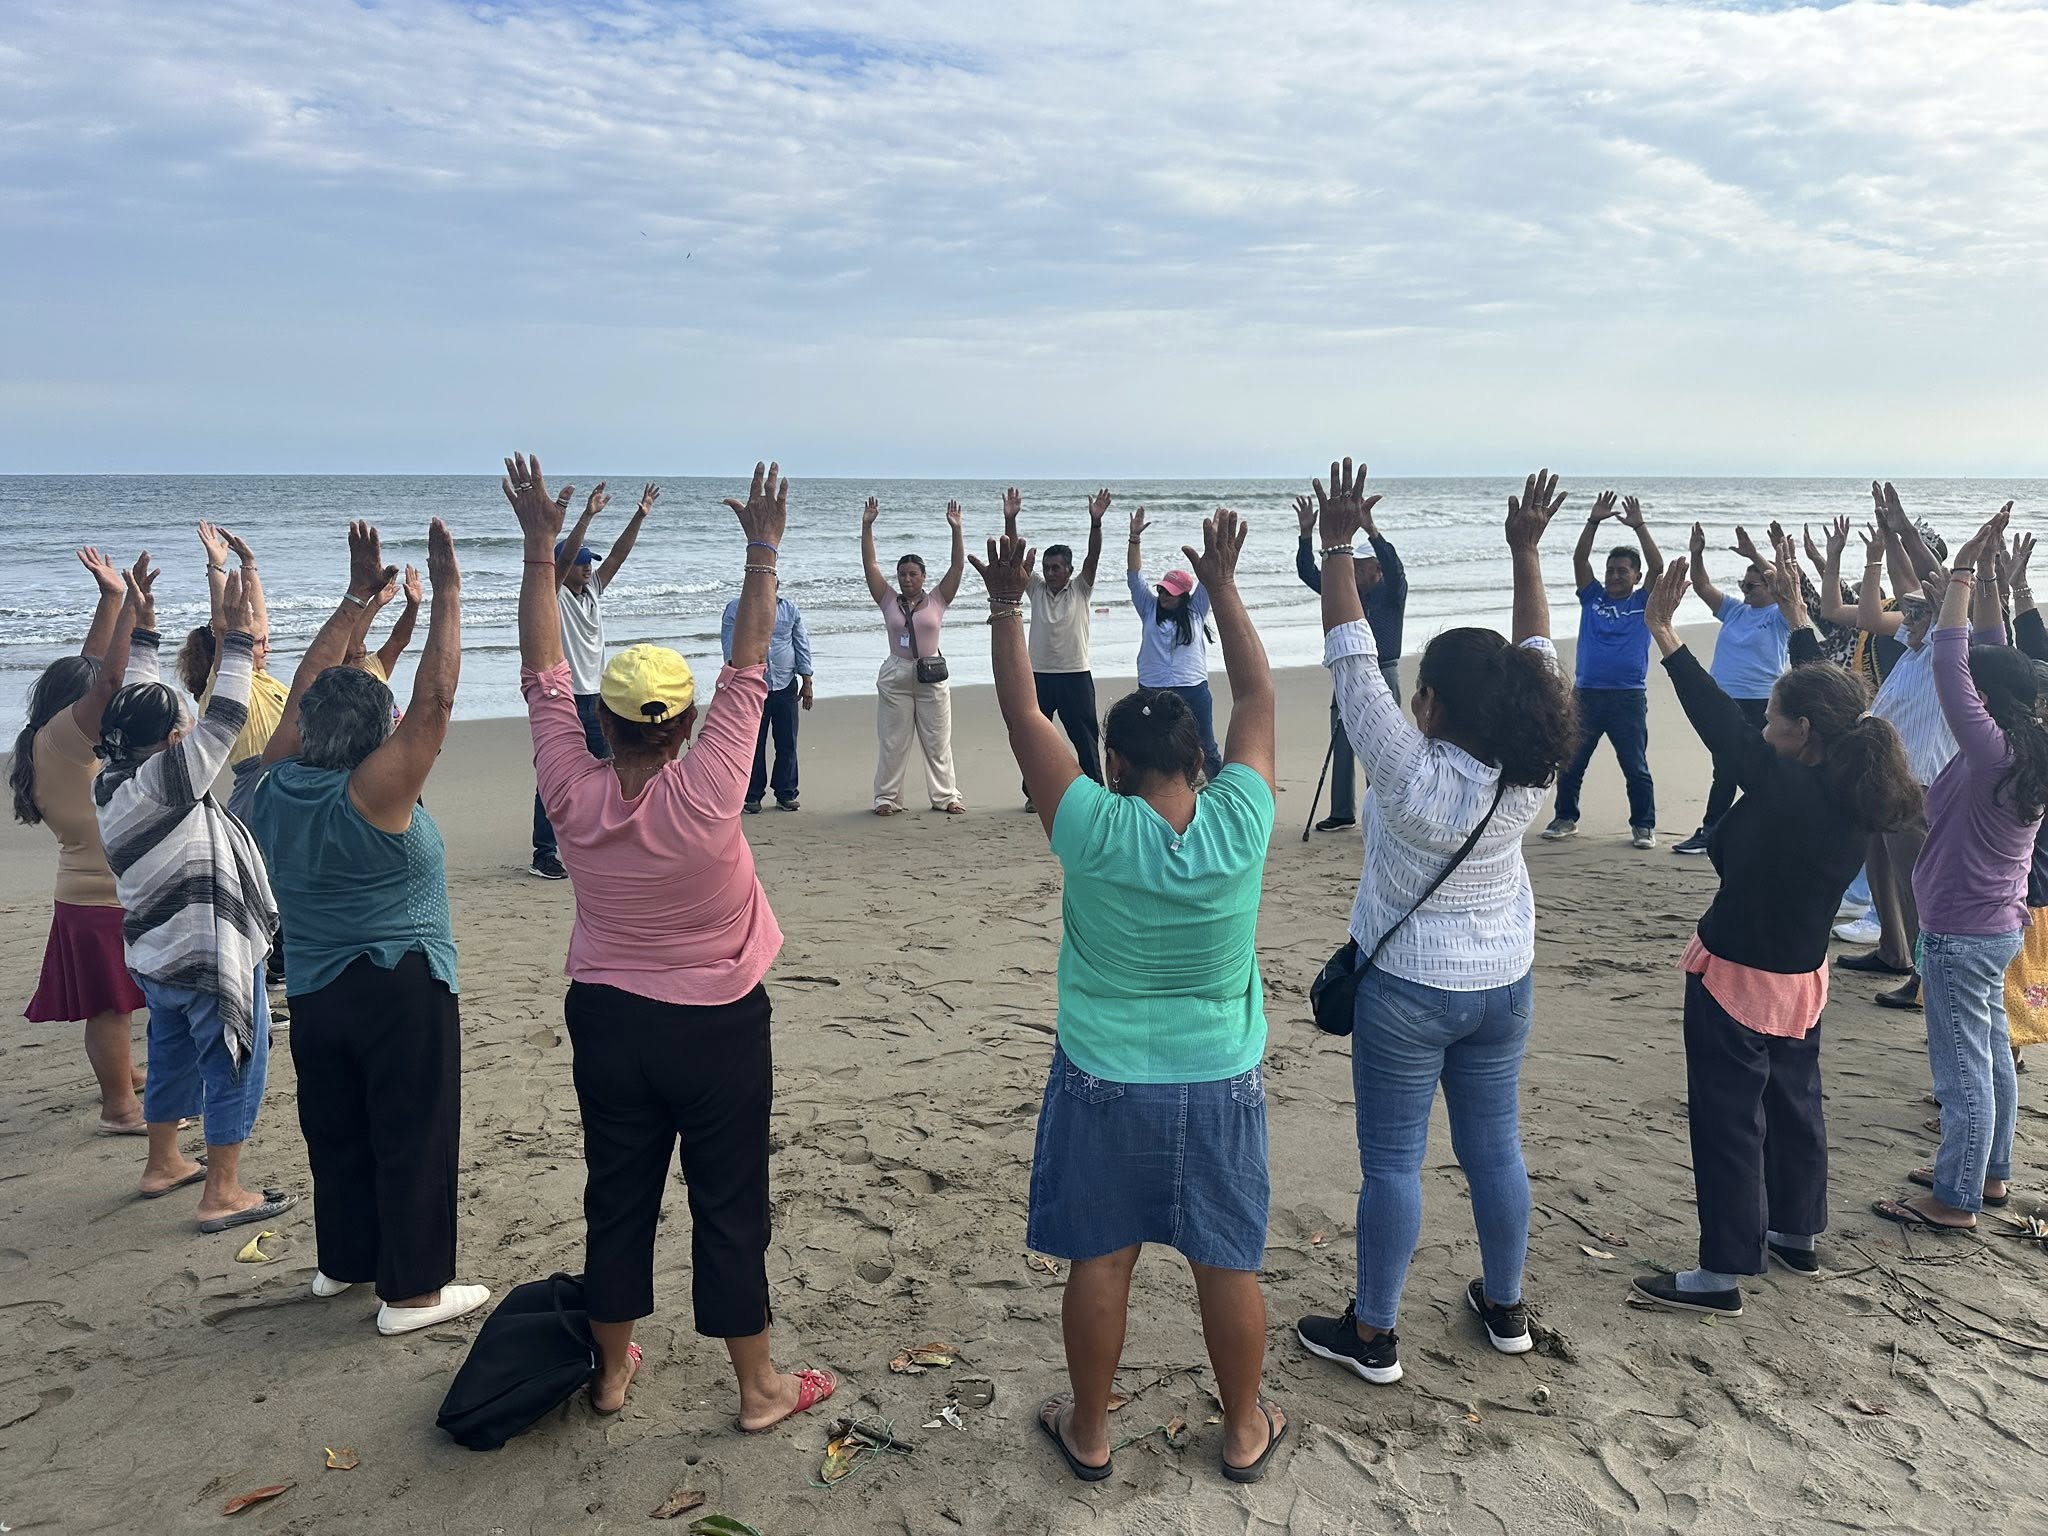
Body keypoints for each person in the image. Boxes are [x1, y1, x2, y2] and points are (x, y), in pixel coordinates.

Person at [508, 451, 833, 1427]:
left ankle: (611, 1374)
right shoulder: (711, 782)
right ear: (684, 722)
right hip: (717, 1024)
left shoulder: (569, 787)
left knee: (617, 1196)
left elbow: (542, 676)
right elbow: (750, 661)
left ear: (604, 723)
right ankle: (757, 1388)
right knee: (728, 1203)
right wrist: (762, 549)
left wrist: (538, 549)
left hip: (609, 1019)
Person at [973, 505, 1287, 1485]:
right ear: (1199, 760)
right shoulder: (1242, 818)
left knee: (1102, 1260)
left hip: (1104, 1075)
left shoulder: (1090, 826)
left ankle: (1091, 1433)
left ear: (1112, 766)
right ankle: (1243, 1431)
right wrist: (1222, 587)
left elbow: (1024, 718)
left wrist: (1005, 607)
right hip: (1220, 1076)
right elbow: (1257, 694)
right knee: (1224, 1261)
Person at [1296, 462, 1577, 1387]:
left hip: (1409, 986)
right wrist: (1526, 553)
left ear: (1436, 706)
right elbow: (1538, 655)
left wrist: (1338, 545)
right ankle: (1506, 1307)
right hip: (1504, 982)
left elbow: (1351, 662)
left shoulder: (1411, 774)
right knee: (1494, 1148)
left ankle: (1374, 1332)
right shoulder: (1529, 771)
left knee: (1392, 1165)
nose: (1409, 702)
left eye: (1420, 692)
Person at [1627, 544, 1920, 1315]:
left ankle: (1721, 1274)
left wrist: (1665, 635)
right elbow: (1833, 697)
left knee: (1729, 1118)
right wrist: (1796, 617)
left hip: (1738, 976)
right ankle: (1796, 1232)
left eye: (1771, 719)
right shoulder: (1852, 785)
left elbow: (1717, 724)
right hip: (1802, 976)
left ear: (1802, 732)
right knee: (1795, 1104)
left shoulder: (1790, 787)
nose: (1761, 727)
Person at [246, 519, 489, 1336]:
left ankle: (345, 1262)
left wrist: (357, 599)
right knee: (412, 1131)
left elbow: (307, 680)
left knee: (338, 1128)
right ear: (378, 734)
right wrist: (448, 593)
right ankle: (412, 1295)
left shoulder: (273, 783)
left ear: (307, 728)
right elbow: (436, 702)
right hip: (399, 986)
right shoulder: (375, 792)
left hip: (318, 992)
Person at [95, 566, 295, 1231]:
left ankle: (163, 1163)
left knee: (173, 1053)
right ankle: (223, 1193)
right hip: (208, 955)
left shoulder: (115, 777)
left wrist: (145, 629)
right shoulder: (169, 781)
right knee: (236, 1058)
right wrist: (235, 640)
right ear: (173, 742)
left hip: (157, 955)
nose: (189, 725)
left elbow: (137, 698)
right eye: (181, 724)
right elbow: (227, 716)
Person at [1875, 506, 2045, 1233]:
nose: (1964, 692)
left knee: (1962, 1069)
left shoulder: (1992, 752)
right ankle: (1989, 1173)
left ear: (1988, 702)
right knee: (1991, 1056)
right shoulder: (2026, 745)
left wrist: (1966, 572)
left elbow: (1951, 660)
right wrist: (1990, 585)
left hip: (1962, 932)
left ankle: (1955, 1198)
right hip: (1995, 925)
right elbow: (1994, 656)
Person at [13, 549, 158, 1136]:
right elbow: (109, 679)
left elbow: (93, 671)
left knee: (115, 1001)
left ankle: (125, 1078)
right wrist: (136, 616)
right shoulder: (66, 738)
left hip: (92, 892)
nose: (108, 705)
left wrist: (111, 599)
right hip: (98, 897)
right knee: (110, 1007)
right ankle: (118, 1108)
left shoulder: (49, 736)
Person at [1818, 514, 1958, 1004]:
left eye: (1918, 612)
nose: (1908, 618)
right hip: (1888, 775)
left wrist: (1902, 535)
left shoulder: (1944, 647)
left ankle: (1923, 978)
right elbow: (1901, 597)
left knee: (1914, 881)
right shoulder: (1915, 648)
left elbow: (1927, 589)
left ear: (1938, 615)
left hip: (1917, 782)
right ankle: (1894, 950)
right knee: (1879, 862)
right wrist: (1886, 542)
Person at [530, 481, 661, 878]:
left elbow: (618, 554)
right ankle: (543, 853)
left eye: (590, 562)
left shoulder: (593, 591)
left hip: (598, 697)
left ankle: (599, 841)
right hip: (566, 697)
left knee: (606, 770)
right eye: (582, 562)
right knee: (555, 774)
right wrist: (586, 515)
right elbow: (564, 557)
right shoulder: (554, 594)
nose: (588, 568)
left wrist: (639, 515)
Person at [1543, 491, 1665, 847]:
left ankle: (1643, 826)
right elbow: (1580, 558)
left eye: (1622, 571)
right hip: (1586, 695)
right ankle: (1565, 818)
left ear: (1636, 576)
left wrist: (1639, 526)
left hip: (1628, 697)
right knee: (1571, 762)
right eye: (1610, 570)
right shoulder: (1592, 597)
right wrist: (1593, 521)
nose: (1614, 575)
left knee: (1635, 767)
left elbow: (1658, 567)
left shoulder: (1643, 601)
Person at [1670, 523, 1792, 855]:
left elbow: (1784, 584)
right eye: (1742, 584)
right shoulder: (1735, 611)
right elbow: (1702, 586)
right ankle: (1713, 831)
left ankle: (1763, 829)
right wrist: (1696, 554)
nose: (1745, 589)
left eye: (1752, 584)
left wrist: (1756, 553)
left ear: (1769, 586)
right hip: (1724, 700)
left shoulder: (1780, 615)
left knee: (1759, 768)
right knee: (1724, 768)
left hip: (1762, 703)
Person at [1292, 486, 1408, 832]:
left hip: (1384, 672)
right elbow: (1308, 572)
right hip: (1348, 672)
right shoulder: (1347, 595)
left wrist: (1371, 529)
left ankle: (1381, 812)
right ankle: (1342, 812)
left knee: (1382, 743)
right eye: (1354, 567)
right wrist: (1306, 535)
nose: (1356, 572)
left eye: (1362, 567)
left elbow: (1396, 568)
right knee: (1341, 742)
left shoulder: (1392, 593)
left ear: (1375, 568)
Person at [861, 494, 966, 815]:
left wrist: (956, 530)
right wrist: (867, 527)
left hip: (931, 674)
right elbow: (870, 565)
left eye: (913, 574)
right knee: (893, 742)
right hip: (896, 674)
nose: (907, 579)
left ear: (923, 576)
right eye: (902, 574)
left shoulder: (938, 599)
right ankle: (886, 798)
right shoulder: (887, 599)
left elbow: (957, 566)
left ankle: (946, 797)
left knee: (937, 741)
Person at [1012, 486, 1108, 808]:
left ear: (1069, 570)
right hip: (1038, 676)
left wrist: (1095, 523)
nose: (1051, 573)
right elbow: (1015, 561)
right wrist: (1011, 520)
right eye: (1047, 568)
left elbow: (1093, 556)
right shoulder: (1037, 590)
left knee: (1085, 739)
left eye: (1057, 568)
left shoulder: (1080, 589)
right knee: (1034, 738)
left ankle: (1095, 793)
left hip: (1075, 675)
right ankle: (1034, 794)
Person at [1127, 508, 1224, 783]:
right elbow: (1134, 577)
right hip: (1152, 689)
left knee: (1206, 747)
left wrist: (1214, 540)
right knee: (1151, 748)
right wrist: (1134, 539)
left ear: (1183, 595)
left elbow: (1210, 577)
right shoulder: (1148, 608)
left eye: (1170, 592)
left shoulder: (1196, 609)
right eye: (1161, 590)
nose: (1163, 595)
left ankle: (1222, 793)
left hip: (1192, 688)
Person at [719, 579, 813, 813]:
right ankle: (752, 796)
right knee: (753, 743)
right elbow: (729, 644)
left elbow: (801, 644)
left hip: (785, 684)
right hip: (751, 686)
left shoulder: (789, 609)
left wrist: (807, 680)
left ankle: (786, 793)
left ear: (777, 586)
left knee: (787, 742)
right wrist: (733, 679)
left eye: (771, 585)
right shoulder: (736, 608)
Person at [345, 563, 422, 684]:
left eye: (362, 643)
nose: (360, 649)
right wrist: (375, 604)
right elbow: (351, 646)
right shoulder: (330, 673)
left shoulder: (373, 667)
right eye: (358, 641)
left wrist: (413, 605)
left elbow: (398, 640)